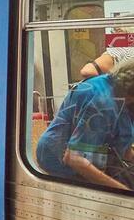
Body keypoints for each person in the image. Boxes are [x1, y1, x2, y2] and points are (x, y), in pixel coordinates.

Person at [36, 59, 134, 190]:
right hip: (62, 160)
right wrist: (123, 192)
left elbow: (125, 149)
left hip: (97, 154)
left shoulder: (117, 88)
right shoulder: (103, 104)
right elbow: (74, 159)